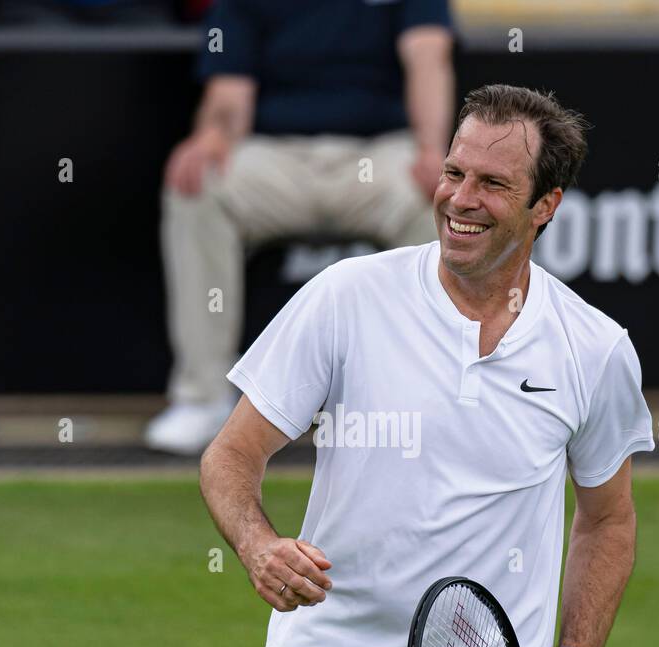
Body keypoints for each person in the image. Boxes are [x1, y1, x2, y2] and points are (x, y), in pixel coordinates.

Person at [199, 84, 656, 647]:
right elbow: (231, 456)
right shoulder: (345, 298)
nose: (460, 199)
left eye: (493, 184)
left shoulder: (595, 350)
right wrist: (257, 544)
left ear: (545, 206)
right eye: (454, 173)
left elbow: (608, 519)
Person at [146, 0, 455, 454]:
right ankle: (203, 396)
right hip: (276, 156)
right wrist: (212, 135)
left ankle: (426, 402)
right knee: (198, 188)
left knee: (442, 199)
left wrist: (433, 150)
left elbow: (427, 57)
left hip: (380, 155)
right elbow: (230, 91)